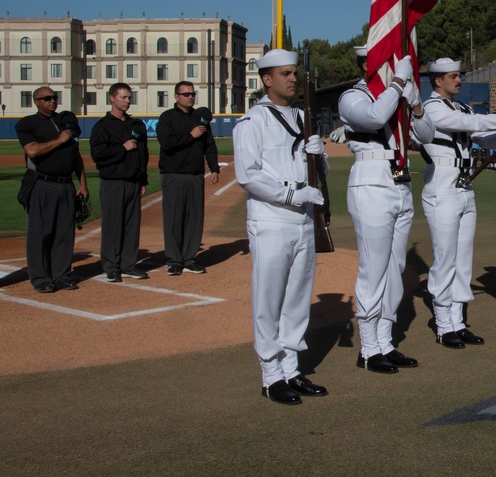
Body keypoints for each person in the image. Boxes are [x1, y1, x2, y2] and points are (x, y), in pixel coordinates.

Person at [420, 58, 496, 349]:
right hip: (442, 183)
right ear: (438, 81)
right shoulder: (432, 108)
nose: (459, 80)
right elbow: (466, 124)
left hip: (463, 183)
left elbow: (481, 137)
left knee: (462, 260)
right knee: (445, 257)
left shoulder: (462, 106)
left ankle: (458, 321)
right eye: (453, 76)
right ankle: (443, 323)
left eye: (459, 76)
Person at [233, 49, 328, 405]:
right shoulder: (253, 121)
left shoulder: (304, 117)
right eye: (285, 73)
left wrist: (318, 156)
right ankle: (270, 374)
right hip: (272, 219)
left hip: (303, 219)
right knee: (269, 299)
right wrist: (291, 194)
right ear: (267, 79)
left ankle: (291, 368)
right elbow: (248, 174)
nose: (292, 79)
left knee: (298, 298)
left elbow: (318, 178)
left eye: (294, 73)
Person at [339, 47, 434, 374]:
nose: (391, 66)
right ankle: (368, 348)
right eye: (384, 61)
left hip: (400, 181)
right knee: (373, 266)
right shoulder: (353, 96)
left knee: (395, 268)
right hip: (371, 180)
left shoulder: (397, 94)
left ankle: (385, 341)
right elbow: (375, 117)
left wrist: (415, 101)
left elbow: (426, 136)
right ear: (366, 64)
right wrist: (396, 85)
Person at [15, 88, 89, 293]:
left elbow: (76, 156)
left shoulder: (66, 121)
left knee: (64, 232)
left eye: (54, 98)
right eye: (46, 98)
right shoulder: (27, 123)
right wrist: (59, 140)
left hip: (66, 184)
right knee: (40, 233)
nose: (52, 101)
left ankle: (62, 275)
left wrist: (83, 184)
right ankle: (40, 277)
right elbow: (31, 150)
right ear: (36, 101)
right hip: (41, 183)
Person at [156, 81, 220, 276]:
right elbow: (167, 143)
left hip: (194, 175)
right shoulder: (167, 117)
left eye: (192, 94)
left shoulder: (200, 118)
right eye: (186, 94)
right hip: (174, 174)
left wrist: (214, 168)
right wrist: (190, 135)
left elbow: (209, 145)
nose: (190, 97)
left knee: (194, 218)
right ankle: (174, 260)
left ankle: (189, 258)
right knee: (174, 218)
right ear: (176, 97)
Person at [90, 83, 149, 283]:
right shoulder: (102, 127)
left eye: (129, 97)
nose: (127, 101)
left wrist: (142, 179)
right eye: (123, 97)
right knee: (113, 225)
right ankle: (111, 265)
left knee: (132, 225)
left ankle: (128, 264)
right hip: (113, 181)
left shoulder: (137, 125)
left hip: (133, 180)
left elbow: (143, 154)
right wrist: (122, 148)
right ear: (112, 98)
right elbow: (98, 155)